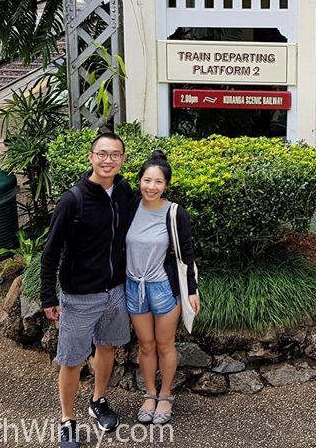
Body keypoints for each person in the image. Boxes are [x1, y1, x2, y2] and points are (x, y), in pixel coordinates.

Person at [40, 132, 134, 448]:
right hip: (80, 296)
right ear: (91, 157)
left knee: (107, 348)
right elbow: (50, 251)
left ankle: (98, 400)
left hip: (115, 291)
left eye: (115, 155)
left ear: (122, 159)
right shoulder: (73, 200)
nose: (108, 160)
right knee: (72, 360)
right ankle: (67, 420)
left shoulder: (123, 191)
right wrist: (48, 296)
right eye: (102, 154)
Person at [125, 149, 200, 426]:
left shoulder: (175, 213)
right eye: (146, 180)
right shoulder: (130, 206)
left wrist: (191, 290)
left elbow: (186, 254)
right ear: (139, 181)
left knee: (165, 344)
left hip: (164, 288)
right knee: (145, 345)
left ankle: (166, 395)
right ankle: (150, 394)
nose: (151, 187)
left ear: (166, 185)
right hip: (134, 287)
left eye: (157, 182)